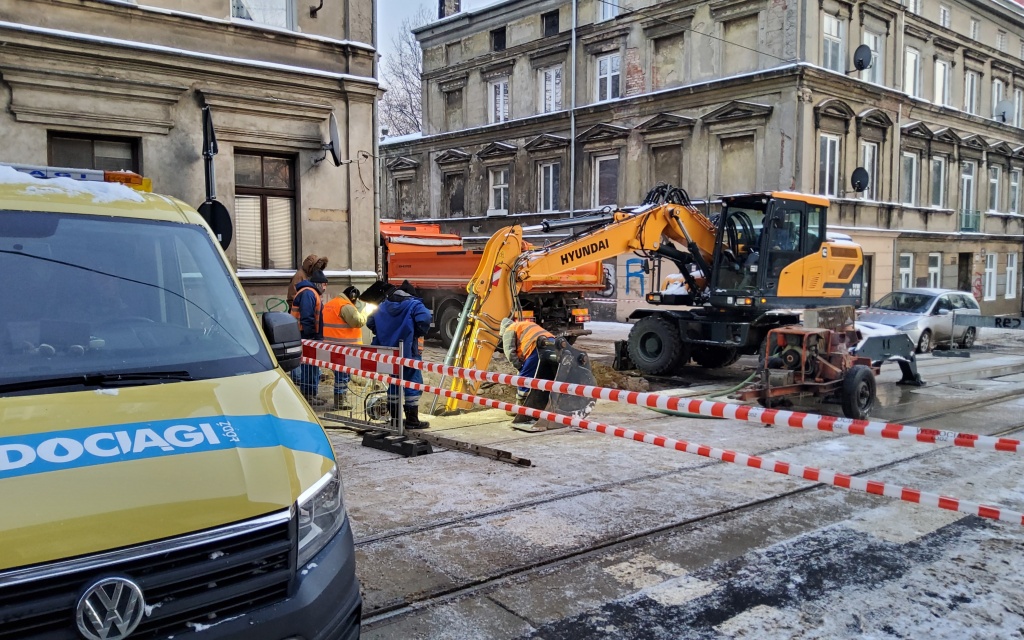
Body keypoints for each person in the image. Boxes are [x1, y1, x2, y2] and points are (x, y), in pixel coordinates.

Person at [366, 283, 432, 429]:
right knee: (412, 385)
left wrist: (383, 332)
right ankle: (412, 420)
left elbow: (369, 321)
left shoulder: (383, 305)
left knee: (394, 383)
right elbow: (425, 317)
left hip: (389, 354)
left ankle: (395, 420)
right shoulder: (414, 305)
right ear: (410, 295)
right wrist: (418, 331)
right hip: (408, 353)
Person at [322, 285, 369, 411]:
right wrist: (365, 312)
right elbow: (357, 321)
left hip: (331, 346)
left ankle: (340, 398)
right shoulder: (345, 306)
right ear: (353, 297)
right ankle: (340, 401)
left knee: (340, 374)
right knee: (342, 375)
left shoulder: (330, 304)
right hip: (344, 347)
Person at [499, 317, 555, 410]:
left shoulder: (509, 329)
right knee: (546, 374)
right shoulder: (523, 325)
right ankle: (546, 402)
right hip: (552, 342)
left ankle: (522, 404)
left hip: (536, 346)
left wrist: (519, 368)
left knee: (524, 377)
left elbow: (510, 352)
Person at [291, 269, 328, 407]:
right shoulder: (309, 293)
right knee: (309, 367)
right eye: (324, 285)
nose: (325, 288)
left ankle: (310, 394)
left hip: (306, 335)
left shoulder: (309, 292)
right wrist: (311, 335)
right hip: (307, 336)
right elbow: (307, 317)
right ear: (318, 284)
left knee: (310, 367)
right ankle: (308, 395)